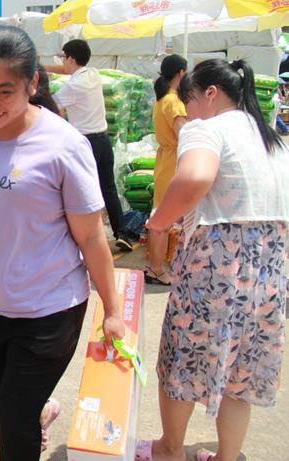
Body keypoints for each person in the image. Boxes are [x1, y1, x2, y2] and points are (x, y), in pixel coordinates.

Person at [0, 25, 126, 461]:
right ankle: (39, 412)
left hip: (51, 309)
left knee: (13, 421)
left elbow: (91, 236)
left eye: (4, 91)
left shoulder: (63, 145)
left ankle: (28, 423)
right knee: (2, 396)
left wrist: (112, 310)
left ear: (32, 83)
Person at [136, 59, 288, 461]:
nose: (186, 112)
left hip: (216, 265)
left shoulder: (207, 128)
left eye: (188, 100)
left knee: (182, 360)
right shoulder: (271, 139)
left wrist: (159, 222)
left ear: (210, 93)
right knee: (241, 371)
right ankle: (227, 456)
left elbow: (194, 177)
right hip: (269, 271)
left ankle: (169, 450)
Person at [48, 39, 133, 252]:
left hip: (86, 144)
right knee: (108, 189)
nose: (62, 62)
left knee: (81, 192)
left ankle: (86, 238)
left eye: (63, 57)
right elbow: (66, 70)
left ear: (70, 58)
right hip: (104, 141)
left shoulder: (72, 86)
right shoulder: (93, 75)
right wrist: (42, 66)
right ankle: (121, 233)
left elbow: (52, 108)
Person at [146, 54, 188, 286]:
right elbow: (184, 134)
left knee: (158, 218)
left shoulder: (161, 98)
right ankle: (157, 269)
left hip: (164, 161)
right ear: (181, 72)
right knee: (165, 221)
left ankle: (153, 266)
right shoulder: (174, 102)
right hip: (173, 162)